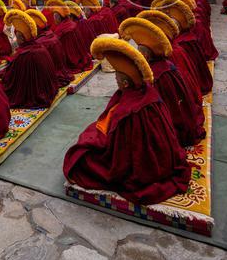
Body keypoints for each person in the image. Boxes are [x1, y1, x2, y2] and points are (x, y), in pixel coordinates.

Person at [63, 37, 194, 205]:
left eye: (117, 80)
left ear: (125, 83)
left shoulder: (129, 111)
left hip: (142, 168)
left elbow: (120, 155)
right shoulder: (148, 91)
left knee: (80, 157)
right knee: (91, 133)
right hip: (164, 156)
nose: (116, 82)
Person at [119, 17, 204, 147]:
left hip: (171, 123)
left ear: (146, 56)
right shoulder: (165, 65)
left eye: (139, 53)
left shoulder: (156, 75)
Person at [0, 10, 63, 109]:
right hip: (48, 89)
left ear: (22, 39)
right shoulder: (41, 47)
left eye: (17, 37)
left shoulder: (23, 55)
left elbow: (12, 79)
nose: (16, 40)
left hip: (35, 94)